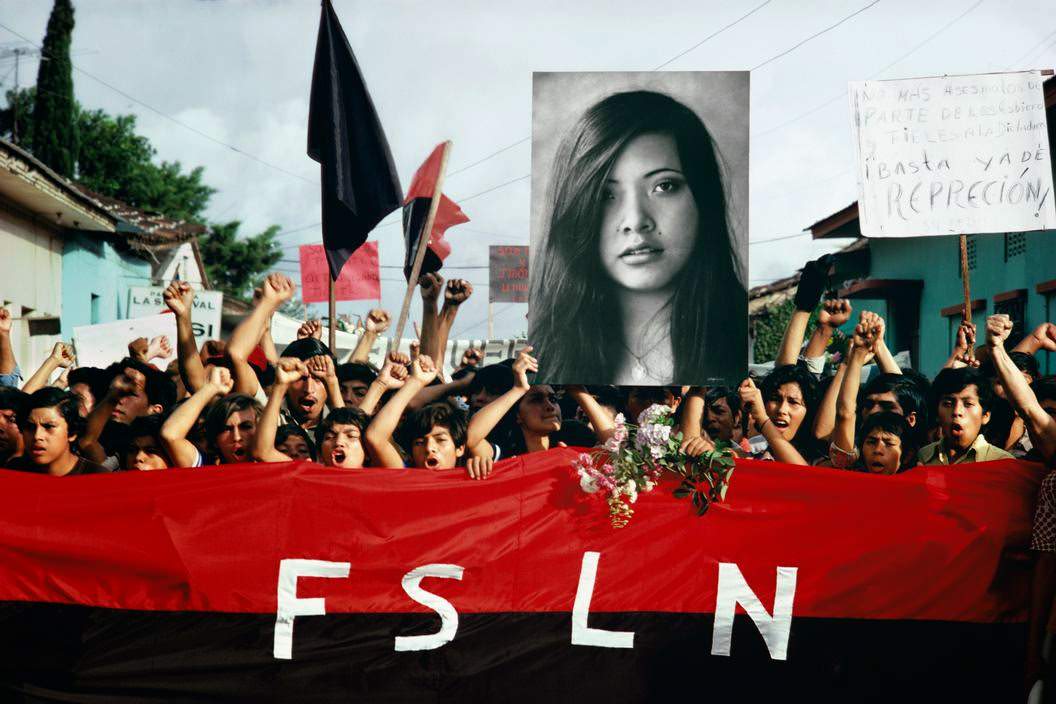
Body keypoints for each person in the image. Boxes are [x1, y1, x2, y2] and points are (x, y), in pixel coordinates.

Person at [530, 90, 745, 385]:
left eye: (664, 186)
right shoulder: (538, 363)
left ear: (703, 198)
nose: (635, 221)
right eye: (605, 194)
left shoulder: (743, 341)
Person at [917, 366, 1013, 466]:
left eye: (968, 404)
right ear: (937, 412)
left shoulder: (1001, 462)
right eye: (948, 404)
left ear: (985, 415)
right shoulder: (924, 456)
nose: (957, 412)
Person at [9, 388, 108, 475]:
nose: (37, 436)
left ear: (72, 433)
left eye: (49, 427)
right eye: (30, 427)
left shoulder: (97, 477)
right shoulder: (14, 469)